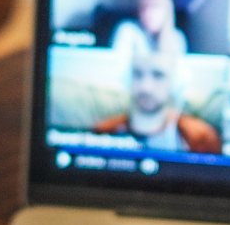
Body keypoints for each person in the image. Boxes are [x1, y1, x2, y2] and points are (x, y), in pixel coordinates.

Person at [92, 51, 222, 153]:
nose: (145, 87)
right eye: (137, 74)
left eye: (158, 75)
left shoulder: (202, 138)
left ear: (175, 82)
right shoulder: (104, 131)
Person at [111, 0, 188, 57]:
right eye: (144, 7)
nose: (148, 13)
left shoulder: (177, 37)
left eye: (155, 7)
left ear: (167, 12)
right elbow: (119, 63)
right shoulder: (128, 30)